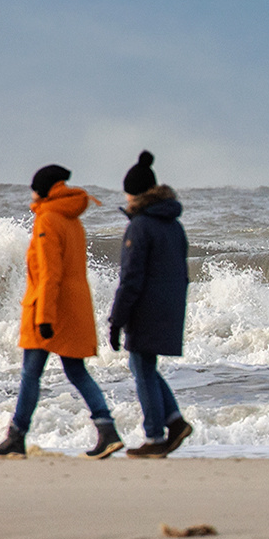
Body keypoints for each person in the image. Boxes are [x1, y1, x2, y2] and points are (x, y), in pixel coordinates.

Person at [0, 164, 122, 458]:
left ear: (44, 190)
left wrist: (44, 318)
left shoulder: (48, 219)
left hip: (50, 310)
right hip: (73, 307)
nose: (32, 193)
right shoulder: (72, 220)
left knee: (31, 374)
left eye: (34, 188)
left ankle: (16, 437)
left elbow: (50, 273)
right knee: (75, 371)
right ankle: (107, 430)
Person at [105, 151, 195, 458]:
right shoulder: (173, 225)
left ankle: (155, 438)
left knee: (142, 368)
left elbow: (131, 279)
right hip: (170, 306)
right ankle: (175, 421)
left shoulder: (140, 226)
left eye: (128, 192)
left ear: (135, 194)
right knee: (143, 366)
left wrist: (116, 320)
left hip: (146, 308)